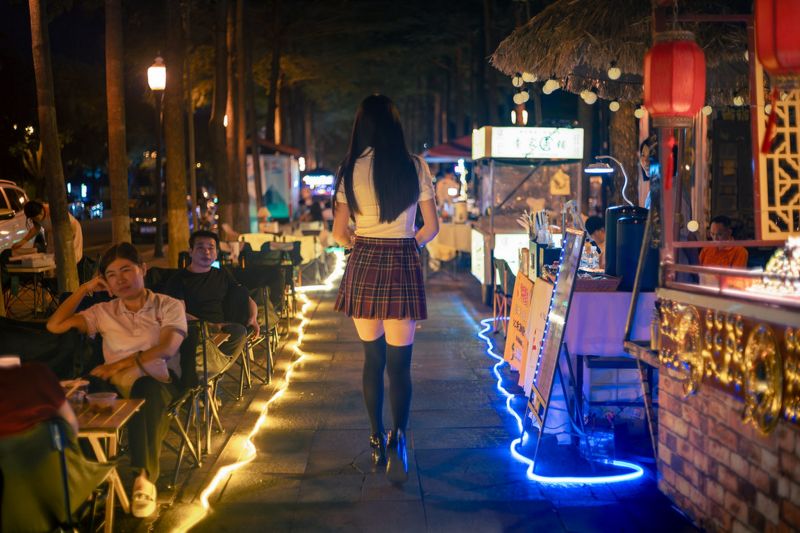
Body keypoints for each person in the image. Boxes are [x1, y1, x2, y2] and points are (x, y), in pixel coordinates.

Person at [332, 94, 439, 484]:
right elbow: (431, 228)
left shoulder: (348, 170)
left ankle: (375, 435)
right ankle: (400, 438)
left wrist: (360, 243)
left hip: (364, 262)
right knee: (400, 363)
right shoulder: (415, 166)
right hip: (401, 262)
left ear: (362, 125)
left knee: (371, 359)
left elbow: (338, 232)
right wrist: (409, 243)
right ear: (395, 124)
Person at [46, 243, 187, 518]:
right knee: (80, 394)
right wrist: (84, 289)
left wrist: (121, 364)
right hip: (112, 386)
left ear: (142, 269)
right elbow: (55, 325)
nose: (120, 279)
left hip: (157, 381)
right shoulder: (103, 311)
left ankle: (143, 479)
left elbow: (167, 348)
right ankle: (89, 476)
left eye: (126, 270)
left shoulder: (169, 305)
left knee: (146, 389)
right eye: (111, 274)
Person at [163, 230, 259, 360]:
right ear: (190, 252)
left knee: (240, 328)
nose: (206, 252)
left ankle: (214, 367)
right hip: (195, 333)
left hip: (223, 331)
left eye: (211, 248)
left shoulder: (222, 273)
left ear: (216, 253)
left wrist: (253, 318)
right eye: (200, 247)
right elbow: (179, 313)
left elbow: (246, 298)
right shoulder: (178, 279)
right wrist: (209, 326)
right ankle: (214, 367)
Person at [11, 200, 84, 262]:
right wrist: (23, 241)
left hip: (69, 230)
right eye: (34, 219)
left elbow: (62, 230)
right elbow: (36, 228)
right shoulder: (35, 215)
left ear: (41, 211)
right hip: (53, 233)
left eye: (37, 217)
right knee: (52, 257)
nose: (37, 220)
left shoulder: (53, 211)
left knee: (70, 257)